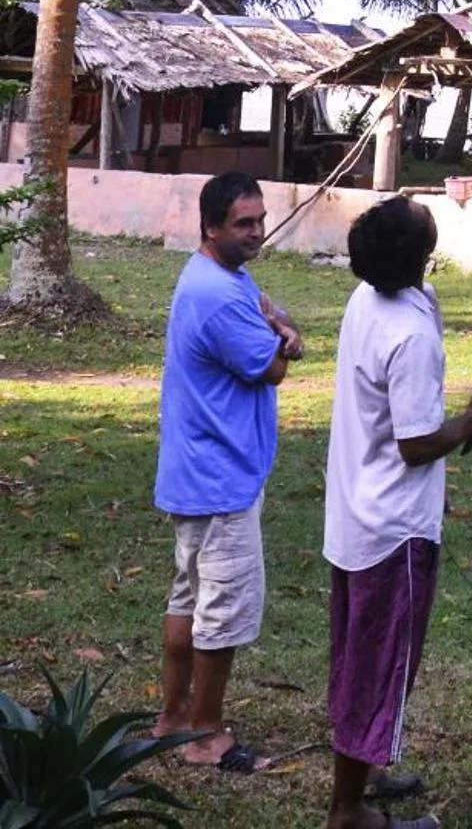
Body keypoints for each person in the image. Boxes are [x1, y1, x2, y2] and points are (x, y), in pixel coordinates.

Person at [324, 194, 472, 829]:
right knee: (378, 667)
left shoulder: (370, 301)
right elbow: (414, 444)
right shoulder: (409, 334)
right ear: (422, 255)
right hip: (393, 531)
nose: (417, 206)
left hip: (354, 515)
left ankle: (365, 773)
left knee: (360, 654)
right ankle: (347, 812)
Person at [153, 167, 303, 772]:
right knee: (219, 612)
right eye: (244, 223)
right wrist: (284, 335)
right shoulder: (218, 295)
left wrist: (280, 327)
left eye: (261, 220)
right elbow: (272, 364)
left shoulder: (220, 275)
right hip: (221, 481)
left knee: (188, 597)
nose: (257, 232)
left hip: (200, 472)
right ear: (210, 226)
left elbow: (275, 317)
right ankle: (204, 736)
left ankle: (172, 719)